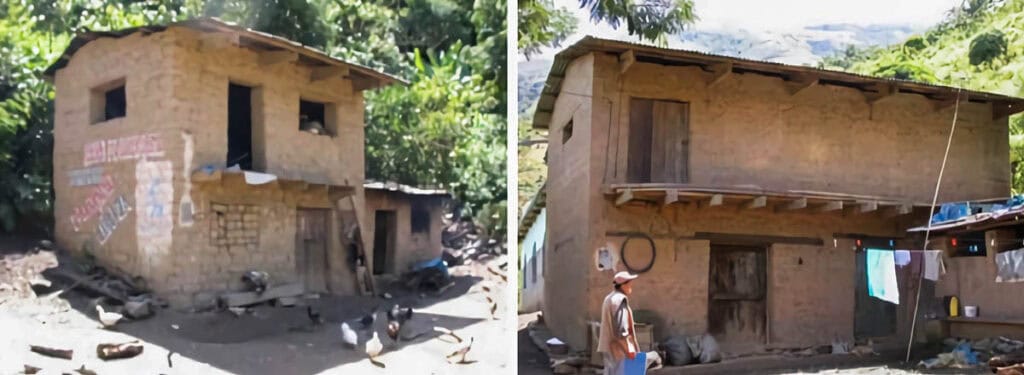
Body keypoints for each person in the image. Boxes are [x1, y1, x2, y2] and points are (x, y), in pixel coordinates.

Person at [597, 271, 641, 375]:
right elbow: (621, 331)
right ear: (623, 285)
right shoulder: (619, 300)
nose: (631, 286)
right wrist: (629, 350)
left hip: (610, 348)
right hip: (618, 350)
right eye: (629, 283)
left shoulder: (610, 298)